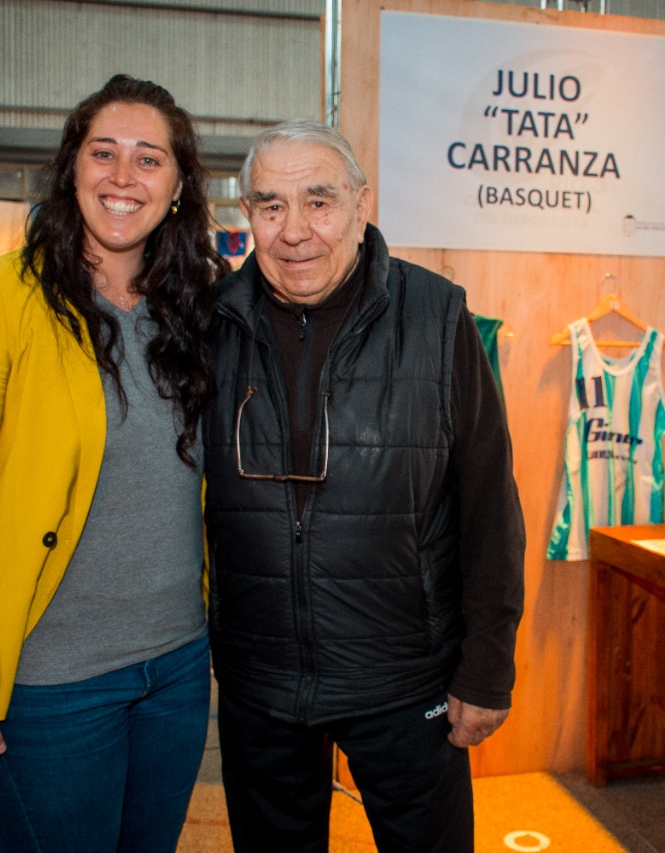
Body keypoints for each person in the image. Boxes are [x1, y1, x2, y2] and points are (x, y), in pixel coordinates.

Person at [0, 74, 229, 851]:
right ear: (71, 168)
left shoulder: (200, 310)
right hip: (52, 683)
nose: (123, 176)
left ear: (179, 186)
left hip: (178, 670)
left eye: (149, 159)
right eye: (103, 153)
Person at [201, 119, 526, 853]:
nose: (295, 231)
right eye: (270, 205)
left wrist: (488, 666)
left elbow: (489, 507)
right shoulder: (210, 324)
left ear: (360, 204)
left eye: (319, 201)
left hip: (406, 676)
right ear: (246, 214)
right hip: (262, 681)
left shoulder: (438, 317)